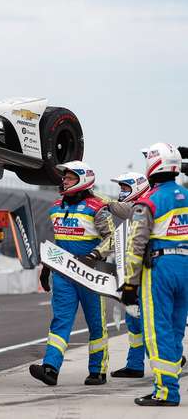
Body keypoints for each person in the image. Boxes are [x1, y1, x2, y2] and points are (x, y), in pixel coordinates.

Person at [30, 161, 115, 387]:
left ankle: (98, 370)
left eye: (69, 178)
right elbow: (58, 240)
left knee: (96, 323)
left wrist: (95, 255)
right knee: (60, 321)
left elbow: (113, 239)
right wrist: (46, 268)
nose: (64, 181)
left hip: (90, 275)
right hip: (63, 274)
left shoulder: (97, 207)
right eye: (64, 178)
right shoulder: (57, 205)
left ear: (82, 180)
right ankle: (50, 368)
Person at [121, 143, 188, 407]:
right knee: (174, 330)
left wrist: (130, 283)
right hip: (185, 267)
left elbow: (136, 244)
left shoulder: (148, 201)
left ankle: (166, 391)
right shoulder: (185, 195)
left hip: (160, 269)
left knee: (157, 330)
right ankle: (170, 385)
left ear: (153, 164)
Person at [83, 172, 150, 378]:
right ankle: (135, 365)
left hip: (149, 273)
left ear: (138, 188)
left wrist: (100, 199)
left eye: (125, 189)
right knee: (134, 321)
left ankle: (170, 357)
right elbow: (117, 239)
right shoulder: (132, 212)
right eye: (121, 188)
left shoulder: (144, 205)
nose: (121, 193)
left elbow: (122, 208)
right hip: (132, 273)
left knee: (148, 321)